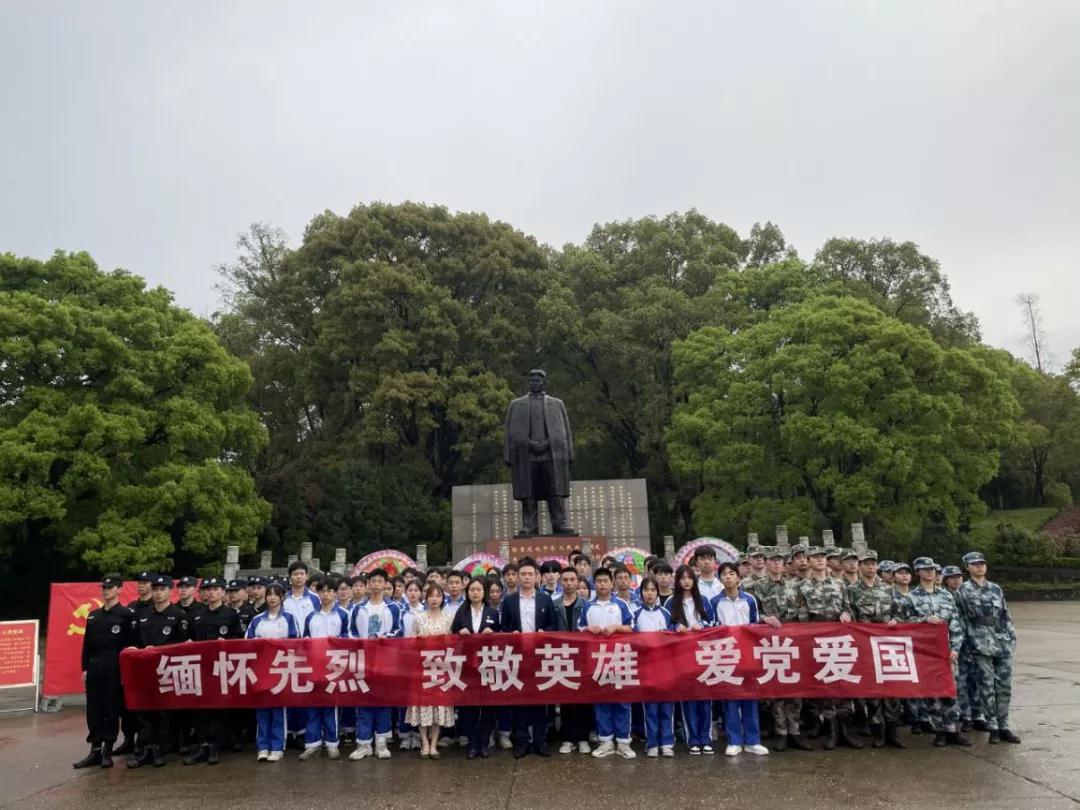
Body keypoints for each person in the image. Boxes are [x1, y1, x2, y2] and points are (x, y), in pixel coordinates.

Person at [898, 557, 971, 747]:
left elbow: (955, 624)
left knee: (951, 690)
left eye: (932, 569)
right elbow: (904, 624)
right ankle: (939, 729)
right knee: (932, 692)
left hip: (946, 651)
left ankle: (953, 729)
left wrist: (955, 648)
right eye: (925, 569)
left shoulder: (946, 595)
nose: (930, 572)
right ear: (918, 573)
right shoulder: (911, 598)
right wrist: (924, 619)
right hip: (925, 652)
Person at [743, 547, 810, 752]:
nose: (776, 564)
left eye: (780, 560)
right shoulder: (756, 587)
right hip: (770, 643)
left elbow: (803, 611)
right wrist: (763, 618)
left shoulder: (794, 586)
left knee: (795, 688)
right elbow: (752, 613)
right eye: (772, 560)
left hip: (793, 641)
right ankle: (781, 732)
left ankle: (795, 731)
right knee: (776, 689)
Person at [795, 547, 859, 750]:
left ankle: (845, 731)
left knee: (844, 686)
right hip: (818, 642)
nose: (820, 560)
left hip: (840, 641)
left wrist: (847, 614)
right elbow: (802, 618)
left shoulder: (840, 585)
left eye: (823, 557)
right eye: (815, 558)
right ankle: (831, 731)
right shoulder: (802, 587)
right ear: (809, 561)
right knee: (826, 688)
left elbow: (848, 607)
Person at [956, 551, 1020, 744]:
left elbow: (1004, 614)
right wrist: (967, 645)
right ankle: (992, 726)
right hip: (979, 641)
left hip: (1001, 640)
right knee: (986, 686)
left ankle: (1004, 726)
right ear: (967, 567)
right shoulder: (963, 591)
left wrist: (1011, 635)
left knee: (1004, 686)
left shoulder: (995, 589)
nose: (979, 567)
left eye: (982, 563)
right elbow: (961, 619)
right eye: (974, 564)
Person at [74, 574, 137, 770]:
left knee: (111, 708)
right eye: (104, 587)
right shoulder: (94, 615)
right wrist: (85, 668)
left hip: (114, 667)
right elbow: (87, 645)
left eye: (110, 587)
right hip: (95, 666)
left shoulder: (126, 615)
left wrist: (125, 672)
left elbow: (131, 646)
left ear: (119, 589)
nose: (106, 590)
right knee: (93, 709)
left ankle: (107, 751)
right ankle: (95, 749)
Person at [128, 574, 190, 769]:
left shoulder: (178, 615)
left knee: (163, 711)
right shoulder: (143, 614)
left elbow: (184, 643)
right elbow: (134, 641)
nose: (157, 593)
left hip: (167, 669)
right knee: (144, 710)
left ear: (169, 591)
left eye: (162, 589)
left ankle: (160, 750)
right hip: (145, 669)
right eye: (155, 590)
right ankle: (145, 748)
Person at [500, 557, 558, 757]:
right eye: (522, 574)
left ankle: (540, 741)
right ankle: (522, 741)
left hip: (540, 656)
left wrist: (544, 632)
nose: (526, 577)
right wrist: (511, 634)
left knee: (540, 700)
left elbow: (553, 626)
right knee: (521, 700)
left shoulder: (545, 599)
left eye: (530, 574)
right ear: (517, 577)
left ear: (536, 577)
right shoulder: (508, 601)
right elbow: (503, 627)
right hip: (518, 656)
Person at [846, 550, 905, 749]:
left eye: (873, 563)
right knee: (872, 692)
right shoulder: (853, 590)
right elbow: (851, 617)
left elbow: (900, 613)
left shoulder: (889, 589)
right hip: (866, 645)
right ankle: (877, 732)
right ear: (860, 566)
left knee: (892, 690)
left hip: (888, 645)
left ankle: (892, 732)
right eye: (867, 563)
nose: (871, 567)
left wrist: (896, 620)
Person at [183, 576, 244, 766]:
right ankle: (202, 744)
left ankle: (216, 745)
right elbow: (189, 638)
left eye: (215, 589)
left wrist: (227, 643)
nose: (211, 592)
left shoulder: (231, 614)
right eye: (208, 589)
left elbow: (239, 640)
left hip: (221, 667)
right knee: (200, 707)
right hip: (200, 667)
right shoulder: (198, 614)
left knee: (218, 707)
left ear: (222, 592)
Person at [709, 562, 769, 757]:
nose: (728, 577)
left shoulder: (749, 600)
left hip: (747, 654)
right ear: (720, 579)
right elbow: (713, 628)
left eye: (731, 573)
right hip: (726, 654)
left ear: (738, 577)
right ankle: (734, 740)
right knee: (731, 699)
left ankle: (753, 740)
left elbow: (754, 626)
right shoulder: (715, 601)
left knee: (749, 698)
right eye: (724, 574)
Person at [578, 568, 635, 759]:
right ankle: (606, 741)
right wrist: (588, 628)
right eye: (599, 581)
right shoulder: (588, 606)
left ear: (612, 583)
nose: (602, 584)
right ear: (595, 584)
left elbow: (632, 627)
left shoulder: (621, 604)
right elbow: (579, 628)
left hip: (620, 657)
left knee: (622, 701)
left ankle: (623, 742)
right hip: (597, 659)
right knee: (601, 700)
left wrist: (617, 627)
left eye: (605, 581)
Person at [349, 568, 402, 760]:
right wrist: (362, 641)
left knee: (383, 701)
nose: (377, 584)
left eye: (381, 580)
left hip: (385, 661)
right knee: (363, 701)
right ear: (369, 584)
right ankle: (363, 743)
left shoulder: (394, 607)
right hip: (363, 660)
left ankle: (381, 742)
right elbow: (351, 632)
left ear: (385, 584)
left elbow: (399, 631)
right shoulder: (358, 608)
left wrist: (381, 637)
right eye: (374, 580)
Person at [246, 581, 299, 762]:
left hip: (281, 669)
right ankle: (263, 746)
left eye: (276, 594)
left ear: (282, 597)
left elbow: (296, 643)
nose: (272, 597)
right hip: (261, 669)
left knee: (278, 710)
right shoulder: (257, 620)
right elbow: (247, 643)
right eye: (269, 594)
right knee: (262, 709)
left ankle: (277, 747)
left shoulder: (290, 618)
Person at [666, 564, 715, 754]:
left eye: (689, 578)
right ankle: (693, 738)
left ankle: (706, 738)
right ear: (677, 581)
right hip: (682, 655)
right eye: (682, 578)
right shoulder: (671, 602)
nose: (686, 581)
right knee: (688, 699)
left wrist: (701, 625)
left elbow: (714, 623)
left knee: (705, 698)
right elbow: (666, 624)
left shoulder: (703, 600)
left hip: (703, 655)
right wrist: (676, 627)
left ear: (694, 581)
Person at [299, 578, 350, 761]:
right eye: (323, 591)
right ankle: (312, 744)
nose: (326, 594)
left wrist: (336, 642)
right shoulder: (311, 617)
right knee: (313, 706)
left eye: (330, 591)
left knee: (331, 706)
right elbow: (304, 639)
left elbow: (349, 638)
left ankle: (332, 743)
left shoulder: (343, 615)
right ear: (318, 593)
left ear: (335, 593)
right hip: (314, 666)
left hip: (334, 666)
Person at [405, 583, 456, 758]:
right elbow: (409, 641)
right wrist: (416, 639)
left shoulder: (449, 618)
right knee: (423, 707)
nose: (434, 599)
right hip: (422, 669)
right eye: (431, 596)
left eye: (438, 595)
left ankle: (434, 744)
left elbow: (454, 643)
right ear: (426, 598)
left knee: (438, 707)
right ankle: (424, 743)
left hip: (441, 668)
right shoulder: (418, 618)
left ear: (442, 598)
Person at [451, 578, 500, 759]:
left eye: (478, 589)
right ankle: (472, 743)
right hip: (467, 666)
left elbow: (502, 637)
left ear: (484, 592)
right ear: (467, 592)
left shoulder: (492, 613)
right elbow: (452, 635)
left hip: (488, 664)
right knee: (469, 707)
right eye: (472, 589)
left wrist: (493, 634)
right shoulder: (461, 612)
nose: (475, 593)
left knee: (487, 706)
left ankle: (484, 743)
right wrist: (460, 633)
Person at [633, 575, 675, 758]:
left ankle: (667, 742)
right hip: (646, 667)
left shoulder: (666, 613)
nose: (649, 594)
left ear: (658, 593)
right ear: (641, 593)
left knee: (667, 707)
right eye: (646, 590)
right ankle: (652, 743)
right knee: (650, 707)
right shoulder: (635, 614)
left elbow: (673, 639)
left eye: (653, 590)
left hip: (665, 667)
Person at [552, 566, 591, 754]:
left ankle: (583, 738)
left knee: (583, 698)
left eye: (572, 580)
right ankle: (568, 738)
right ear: (561, 582)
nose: (568, 583)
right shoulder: (555, 604)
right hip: (562, 655)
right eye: (565, 580)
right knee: (566, 698)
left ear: (578, 582)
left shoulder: (586, 605)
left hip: (582, 656)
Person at [282, 561, 320, 748]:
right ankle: (288, 731)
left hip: (309, 650)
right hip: (286, 651)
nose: (298, 577)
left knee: (306, 690)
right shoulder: (283, 599)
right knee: (288, 690)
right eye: (295, 574)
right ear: (290, 577)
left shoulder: (314, 598)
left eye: (301, 574)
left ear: (306, 576)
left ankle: (303, 733)